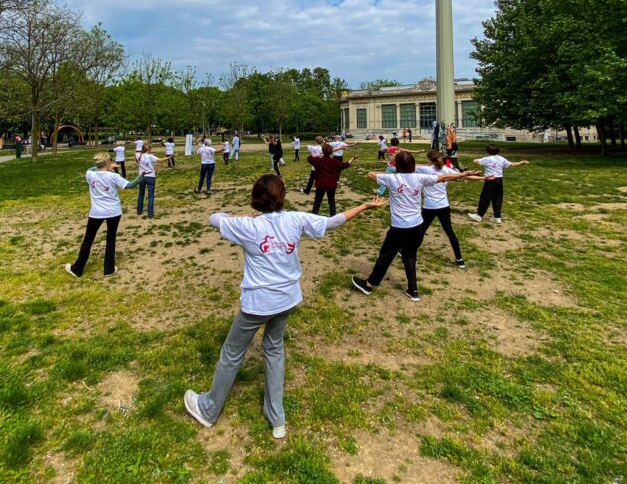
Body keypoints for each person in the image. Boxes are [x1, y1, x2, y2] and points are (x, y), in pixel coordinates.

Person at [183, 174, 384, 439]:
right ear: (282, 197)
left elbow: (214, 217)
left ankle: (208, 409)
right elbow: (332, 222)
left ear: (256, 199)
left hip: (258, 303)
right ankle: (277, 418)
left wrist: (244, 216)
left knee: (232, 353)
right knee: (274, 349)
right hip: (288, 299)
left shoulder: (247, 226)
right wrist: (364, 206)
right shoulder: (295, 219)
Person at [352, 150, 477, 301]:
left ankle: (369, 284)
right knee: (410, 256)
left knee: (385, 257)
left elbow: (370, 174)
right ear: (413, 164)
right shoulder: (420, 177)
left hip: (399, 228)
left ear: (397, 165)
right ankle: (413, 290)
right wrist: (464, 174)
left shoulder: (392, 179)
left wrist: (391, 172)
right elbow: (446, 176)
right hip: (417, 226)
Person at [65, 152, 140, 278]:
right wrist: (142, 176)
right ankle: (109, 269)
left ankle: (77, 269)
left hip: (97, 212)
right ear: (107, 162)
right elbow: (130, 185)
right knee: (110, 239)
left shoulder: (90, 174)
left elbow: (90, 168)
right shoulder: (113, 176)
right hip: (114, 212)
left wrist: (104, 166)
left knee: (88, 239)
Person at [416, 150, 482, 269]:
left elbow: (407, 167)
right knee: (449, 232)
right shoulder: (446, 169)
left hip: (429, 207)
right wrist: (483, 178)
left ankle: (404, 251)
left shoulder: (426, 169)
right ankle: (459, 259)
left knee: (420, 230)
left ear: (429, 160)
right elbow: (464, 176)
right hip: (444, 206)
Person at [468, 146, 530, 224]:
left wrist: (475, 159)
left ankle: (479, 216)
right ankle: (497, 217)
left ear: (488, 151)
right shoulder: (501, 158)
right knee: (497, 198)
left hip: (490, 180)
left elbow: (475, 162)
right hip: (499, 180)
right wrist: (522, 162)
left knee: (485, 198)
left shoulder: (487, 159)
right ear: (498, 151)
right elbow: (512, 164)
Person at [307, 142, 354, 216]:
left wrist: (318, 155)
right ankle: (333, 216)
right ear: (331, 152)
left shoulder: (317, 161)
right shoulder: (334, 162)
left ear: (322, 151)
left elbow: (309, 158)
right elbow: (346, 165)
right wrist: (353, 158)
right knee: (331, 201)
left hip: (320, 184)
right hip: (331, 184)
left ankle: (314, 215)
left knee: (317, 201)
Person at [137, 142, 159, 217]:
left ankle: (139, 211)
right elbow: (160, 160)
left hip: (141, 177)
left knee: (141, 193)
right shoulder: (151, 156)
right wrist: (170, 157)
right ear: (149, 149)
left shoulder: (139, 156)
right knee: (151, 195)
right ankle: (150, 212)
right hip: (151, 176)